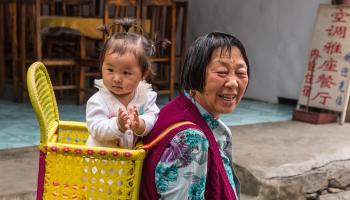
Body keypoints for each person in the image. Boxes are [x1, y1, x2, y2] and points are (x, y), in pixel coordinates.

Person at [140, 32, 250, 200]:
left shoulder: (186, 113)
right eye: (221, 72)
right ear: (196, 73)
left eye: (241, 73)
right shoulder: (190, 139)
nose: (233, 82)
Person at [86, 18, 162, 149]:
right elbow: (96, 128)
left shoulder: (145, 97)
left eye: (126, 73)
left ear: (143, 74)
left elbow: (154, 117)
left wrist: (140, 124)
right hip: (101, 164)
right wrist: (118, 125)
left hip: (129, 162)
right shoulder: (98, 101)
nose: (116, 78)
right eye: (110, 70)